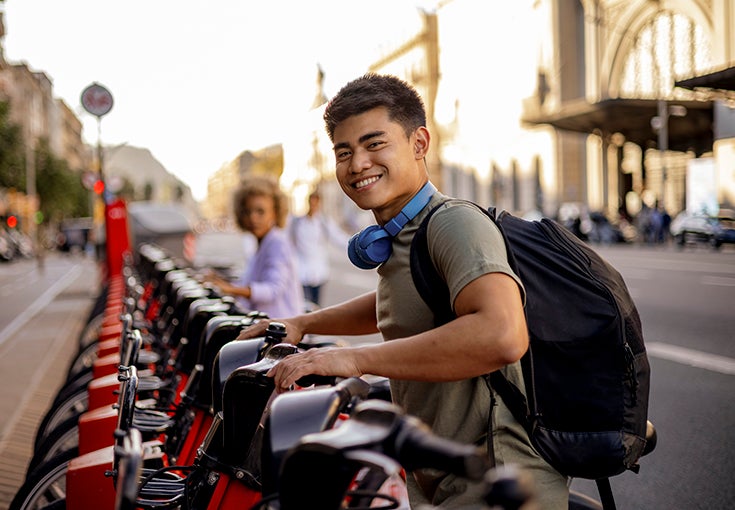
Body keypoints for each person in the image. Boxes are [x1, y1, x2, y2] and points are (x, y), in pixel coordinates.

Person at [236, 74, 568, 508]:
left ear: (419, 143)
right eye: (344, 151)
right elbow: (398, 303)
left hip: (498, 481)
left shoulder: (451, 223)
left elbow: (502, 334)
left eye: (375, 144)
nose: (357, 164)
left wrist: (354, 358)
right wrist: (300, 324)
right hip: (446, 477)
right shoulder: (404, 233)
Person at [203, 175, 303, 318]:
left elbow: (272, 290)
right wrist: (221, 282)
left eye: (260, 212)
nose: (252, 218)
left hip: (280, 330)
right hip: (263, 324)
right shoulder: (260, 242)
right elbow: (250, 283)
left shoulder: (277, 243)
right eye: (247, 212)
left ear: (275, 213)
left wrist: (230, 289)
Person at [288, 190, 351, 306]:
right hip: (301, 270)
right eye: (311, 202)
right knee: (303, 303)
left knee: (315, 304)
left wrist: (355, 246)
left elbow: (338, 237)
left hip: (318, 270)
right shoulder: (297, 222)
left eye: (316, 203)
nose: (313, 206)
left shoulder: (324, 222)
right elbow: (288, 242)